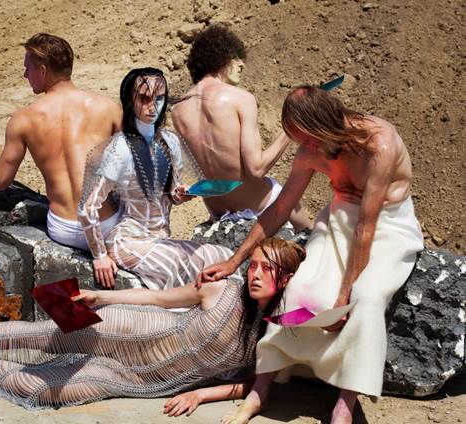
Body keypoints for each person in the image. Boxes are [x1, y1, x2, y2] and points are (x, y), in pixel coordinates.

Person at [198, 86, 424, 424]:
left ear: (323, 124)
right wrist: (234, 261)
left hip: (387, 228)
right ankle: (260, 391)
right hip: (337, 222)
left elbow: (367, 226)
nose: (306, 146)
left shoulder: (379, 144)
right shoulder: (310, 151)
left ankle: (344, 406)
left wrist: (343, 297)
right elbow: (280, 209)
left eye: (308, 137)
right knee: (296, 288)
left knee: (366, 298)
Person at [0, 238, 305, 412]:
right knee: (34, 334)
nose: (254, 274)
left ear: (285, 280)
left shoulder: (272, 336)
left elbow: (252, 386)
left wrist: (200, 396)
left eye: (266, 269)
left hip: (136, 378)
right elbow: (158, 298)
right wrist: (101, 297)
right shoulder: (221, 289)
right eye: (253, 265)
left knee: (41, 392)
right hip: (130, 328)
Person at [0, 33, 122, 251]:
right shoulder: (108, 107)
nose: (25, 74)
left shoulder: (24, 119)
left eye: (28, 69)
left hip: (64, 229)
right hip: (106, 226)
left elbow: (0, 180)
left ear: (43, 71)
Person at [77, 67, 232, 289]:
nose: (153, 106)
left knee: (223, 256)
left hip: (161, 239)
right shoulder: (120, 148)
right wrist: (99, 255)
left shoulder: (170, 142)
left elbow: (171, 194)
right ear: (130, 100)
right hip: (129, 241)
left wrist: (181, 194)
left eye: (159, 98)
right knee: (176, 265)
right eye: (144, 98)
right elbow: (88, 208)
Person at [171, 25, 311, 230]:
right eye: (236, 57)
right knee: (314, 235)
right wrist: (289, 129)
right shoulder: (240, 98)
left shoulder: (177, 110)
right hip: (260, 204)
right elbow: (256, 169)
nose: (241, 64)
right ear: (222, 57)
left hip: (219, 213)